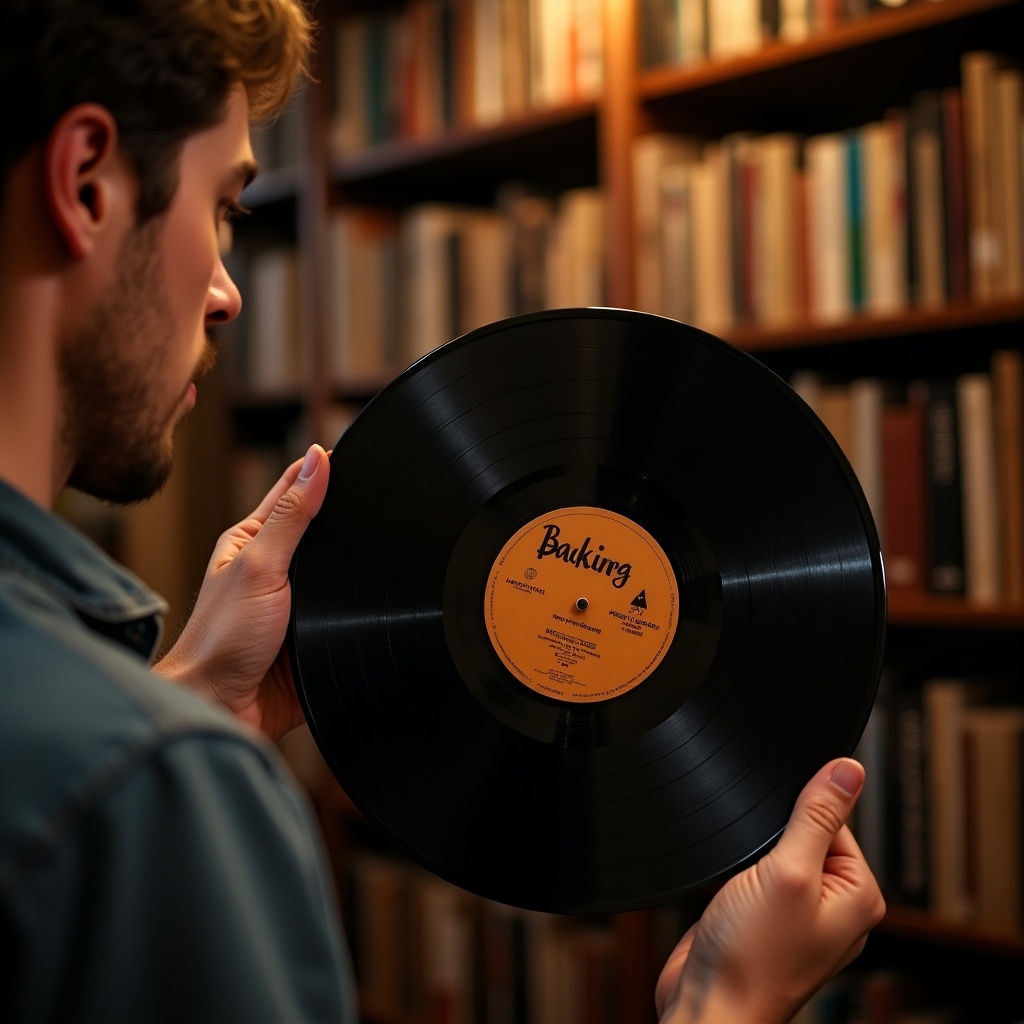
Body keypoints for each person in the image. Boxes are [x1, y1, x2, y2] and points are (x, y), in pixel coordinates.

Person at [0, 1, 885, 1021]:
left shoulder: (126, 769)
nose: (228, 292)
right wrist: (720, 1010)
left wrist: (200, 698)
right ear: (88, 184)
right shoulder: (155, 802)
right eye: (224, 207)